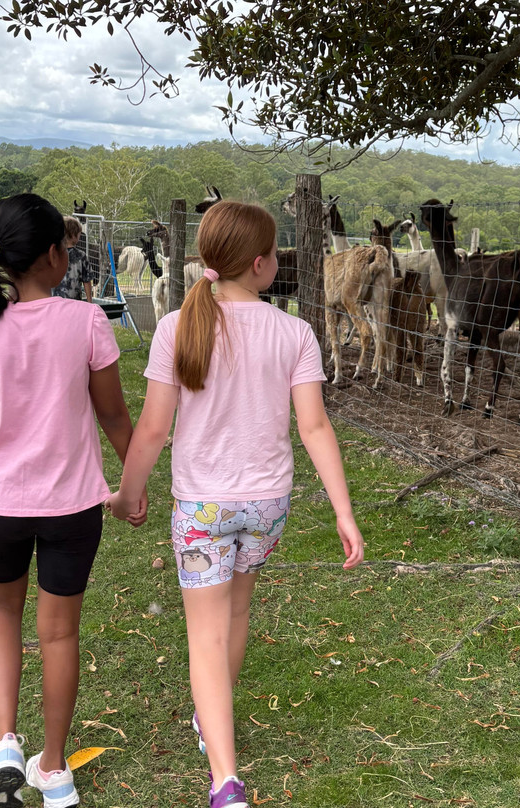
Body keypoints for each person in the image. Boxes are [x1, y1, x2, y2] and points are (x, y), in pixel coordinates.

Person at [106, 200, 365, 808]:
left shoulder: (176, 327)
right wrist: (342, 511)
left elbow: (151, 431)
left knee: (205, 634)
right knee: (237, 615)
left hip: (203, 508)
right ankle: (211, 719)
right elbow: (316, 428)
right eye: (275, 252)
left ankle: (225, 779)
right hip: (267, 504)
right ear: (260, 264)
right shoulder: (295, 333)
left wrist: (127, 494)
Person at [0, 194, 142, 808]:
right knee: (59, 636)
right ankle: (54, 766)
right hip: (73, 509)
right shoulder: (87, 322)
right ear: (54, 254)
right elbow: (114, 416)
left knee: (1, 618)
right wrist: (134, 486)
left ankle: (4, 744)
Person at [52, 215, 94, 302]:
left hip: (54, 303)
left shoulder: (52, 254)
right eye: (79, 234)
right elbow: (87, 281)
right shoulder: (81, 256)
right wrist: (90, 301)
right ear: (73, 235)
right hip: (74, 303)